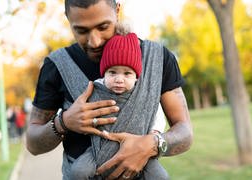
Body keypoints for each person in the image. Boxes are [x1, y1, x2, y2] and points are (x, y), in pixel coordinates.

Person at [26, 0, 193, 179]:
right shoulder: (56, 66)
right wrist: (63, 122)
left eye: (103, 26)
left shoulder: (158, 59)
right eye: (81, 31)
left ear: (117, 11)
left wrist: (152, 144)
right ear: (68, 19)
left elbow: (185, 132)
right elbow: (33, 144)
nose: (94, 41)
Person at [69, 32, 168, 179]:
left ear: (136, 77)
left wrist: (154, 132)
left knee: (160, 176)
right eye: (112, 72)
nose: (119, 79)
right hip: (99, 148)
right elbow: (82, 110)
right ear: (104, 74)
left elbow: (157, 112)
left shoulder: (143, 94)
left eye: (127, 73)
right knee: (78, 172)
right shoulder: (95, 90)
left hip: (138, 147)